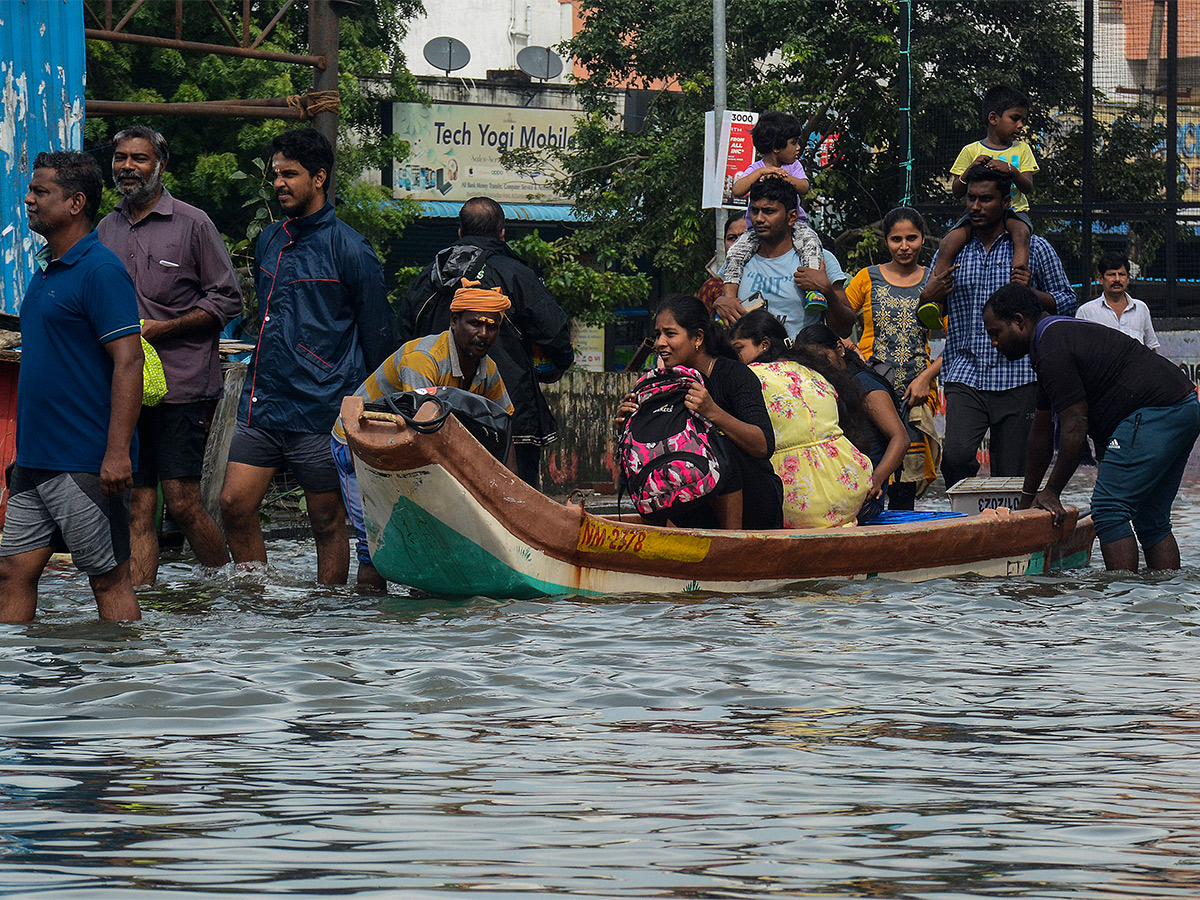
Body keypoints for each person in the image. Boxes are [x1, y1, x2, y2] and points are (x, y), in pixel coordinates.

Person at [219, 128, 393, 585]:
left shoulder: (352, 249)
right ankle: (253, 600)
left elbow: (378, 337)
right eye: (275, 174)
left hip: (322, 408)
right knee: (233, 505)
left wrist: (367, 409)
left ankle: (325, 612)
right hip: (263, 402)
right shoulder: (270, 240)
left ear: (319, 178)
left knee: (325, 520)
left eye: (290, 174)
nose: (279, 183)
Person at [0, 151, 144, 623]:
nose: (29, 199)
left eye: (41, 191)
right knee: (12, 574)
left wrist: (117, 452)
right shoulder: (46, 270)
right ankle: (17, 687)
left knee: (107, 579)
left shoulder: (100, 271)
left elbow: (129, 361)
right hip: (34, 461)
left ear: (76, 203)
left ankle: (122, 686)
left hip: (84, 461)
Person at [96, 125, 242, 586]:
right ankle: (141, 608)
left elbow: (227, 299)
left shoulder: (192, 223)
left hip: (181, 383)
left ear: (161, 164)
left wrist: (165, 328)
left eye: (138, 158)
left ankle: (232, 590)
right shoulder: (106, 227)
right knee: (137, 500)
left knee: (181, 500)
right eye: (120, 158)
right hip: (125, 385)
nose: (127, 167)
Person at [983, 283, 1200, 572]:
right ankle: (1161, 604)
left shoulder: (1051, 345)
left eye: (995, 333)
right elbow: (1041, 433)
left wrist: (1052, 491)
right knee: (1151, 518)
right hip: (1183, 407)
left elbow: (1075, 425)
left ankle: (1122, 601)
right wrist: (1028, 499)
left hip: (1154, 411)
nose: (993, 343)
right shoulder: (1051, 338)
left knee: (1109, 509)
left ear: (1019, 321)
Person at [333, 280, 515, 592]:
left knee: (434, 544)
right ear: (454, 321)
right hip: (361, 446)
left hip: (414, 449)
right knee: (376, 546)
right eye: (474, 324)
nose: (483, 334)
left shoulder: (489, 371)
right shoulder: (423, 359)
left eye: (492, 327)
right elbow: (419, 433)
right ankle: (369, 622)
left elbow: (504, 428)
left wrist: (509, 498)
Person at [398, 197, 573, 491]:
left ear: (460, 233)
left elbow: (400, 337)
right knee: (516, 503)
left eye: (490, 325)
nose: (482, 333)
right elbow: (554, 333)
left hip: (435, 418)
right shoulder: (514, 274)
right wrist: (556, 366)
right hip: (508, 411)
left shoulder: (427, 279)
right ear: (502, 233)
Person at [919, 164, 1076, 490]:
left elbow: (1067, 302)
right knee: (956, 457)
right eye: (972, 199)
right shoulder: (952, 249)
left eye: (986, 199)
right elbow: (926, 314)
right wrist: (928, 298)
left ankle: (1004, 534)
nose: (976, 207)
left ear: (1006, 202)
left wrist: (1032, 295)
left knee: (1011, 474)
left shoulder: (1037, 249)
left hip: (1019, 376)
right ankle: (964, 527)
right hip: (965, 372)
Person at [614, 295, 783, 530]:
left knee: (718, 448)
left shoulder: (734, 375)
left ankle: (731, 544)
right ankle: (658, 543)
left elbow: (763, 446)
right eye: (658, 335)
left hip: (754, 501)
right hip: (698, 502)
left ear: (698, 338)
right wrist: (629, 425)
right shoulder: (658, 385)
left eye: (670, 334)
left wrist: (713, 412)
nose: (660, 343)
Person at [729, 311, 872, 528]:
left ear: (764, 344)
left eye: (739, 348)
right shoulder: (813, 371)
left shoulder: (750, 375)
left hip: (796, 499)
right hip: (851, 485)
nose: (735, 356)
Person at [845, 207, 943, 508]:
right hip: (872, 392)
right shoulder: (867, 278)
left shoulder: (933, 282)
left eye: (911, 238)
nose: (904, 246)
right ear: (885, 241)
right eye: (896, 239)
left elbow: (958, 340)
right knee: (868, 467)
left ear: (922, 239)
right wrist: (855, 352)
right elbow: (838, 323)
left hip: (915, 394)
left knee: (906, 481)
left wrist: (926, 377)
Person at [921, 85, 1039, 329]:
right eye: (1015, 118)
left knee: (1021, 234)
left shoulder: (1022, 149)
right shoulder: (971, 150)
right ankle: (935, 302)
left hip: (1015, 211)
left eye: (1022, 120)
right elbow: (956, 190)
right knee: (947, 243)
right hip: (976, 217)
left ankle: (1018, 285)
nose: (1020, 126)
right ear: (994, 118)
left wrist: (1012, 171)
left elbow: (1027, 186)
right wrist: (969, 170)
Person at [793, 324, 909, 524]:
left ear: (840, 348)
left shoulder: (864, 384)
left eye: (822, 358)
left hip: (866, 495)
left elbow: (900, 438)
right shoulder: (821, 385)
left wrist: (877, 479)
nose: (819, 366)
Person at [715, 176, 856, 337]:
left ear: (792, 217)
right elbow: (723, 312)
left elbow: (845, 329)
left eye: (769, 211)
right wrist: (720, 304)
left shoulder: (821, 260)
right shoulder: (737, 260)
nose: (759, 219)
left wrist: (826, 290)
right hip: (747, 360)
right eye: (754, 211)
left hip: (801, 359)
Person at [720, 111, 825, 310]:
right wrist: (762, 173)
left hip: (796, 227)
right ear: (776, 147)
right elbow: (738, 189)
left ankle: (814, 292)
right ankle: (729, 298)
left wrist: (786, 178)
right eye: (793, 143)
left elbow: (804, 187)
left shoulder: (793, 167)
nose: (798, 148)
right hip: (754, 232)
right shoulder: (756, 168)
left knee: (811, 246)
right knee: (735, 254)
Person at [1075, 253, 1160, 350]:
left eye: (1121, 274)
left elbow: (1151, 347)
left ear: (1128, 278)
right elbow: (1080, 350)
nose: (1117, 279)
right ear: (1100, 279)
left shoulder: (1141, 308)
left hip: (1135, 365)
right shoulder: (1086, 312)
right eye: (1111, 275)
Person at [698, 213, 748, 313]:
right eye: (732, 238)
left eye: (743, 237)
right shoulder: (712, 287)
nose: (737, 244)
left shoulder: (769, 280)